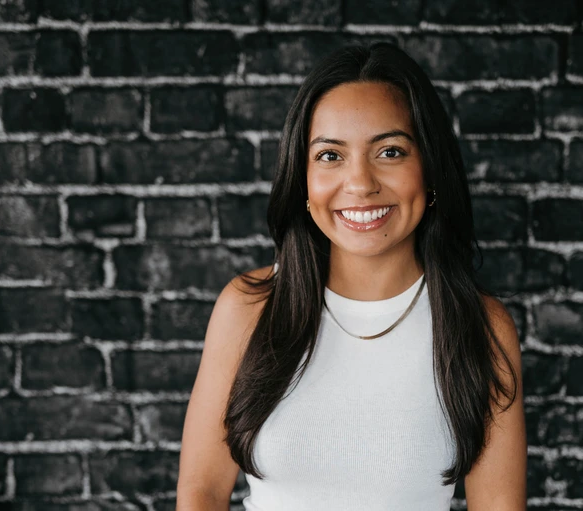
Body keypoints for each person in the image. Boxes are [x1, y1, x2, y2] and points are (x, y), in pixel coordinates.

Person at [176, 42, 526, 511]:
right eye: (330, 156)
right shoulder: (249, 308)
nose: (360, 183)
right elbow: (201, 492)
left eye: (390, 151)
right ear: (303, 180)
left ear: (431, 171)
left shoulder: (481, 327)